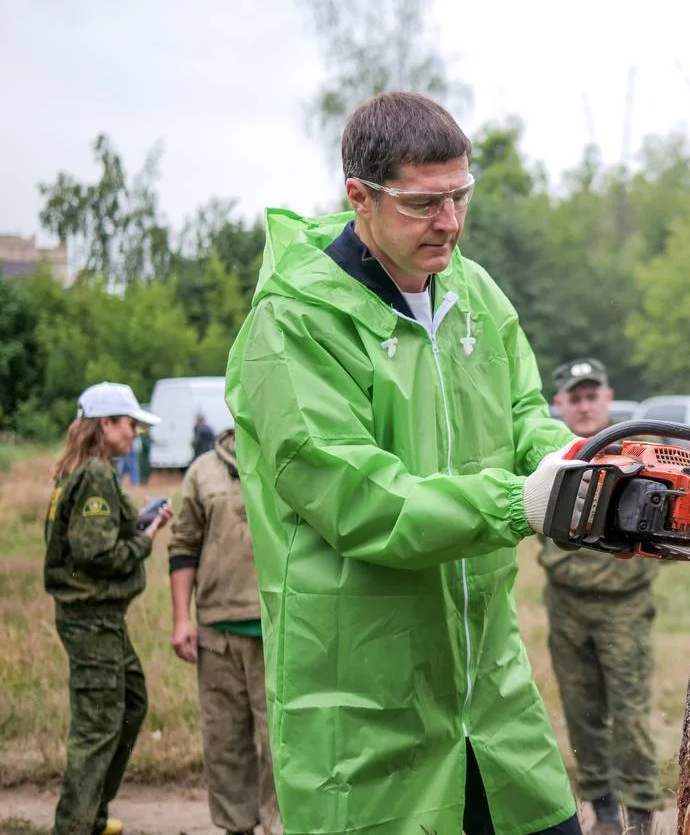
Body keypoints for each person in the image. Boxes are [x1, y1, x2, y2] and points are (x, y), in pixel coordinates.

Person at [225, 92, 588, 835]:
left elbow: (523, 411)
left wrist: (577, 468)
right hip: (362, 703)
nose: (449, 222)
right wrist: (519, 502)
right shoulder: (292, 325)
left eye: (461, 196)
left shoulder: (473, 292)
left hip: (489, 691)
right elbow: (361, 497)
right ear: (359, 196)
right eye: (424, 203)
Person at [43, 382, 173, 835]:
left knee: (131, 702)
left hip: (100, 618)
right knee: (96, 727)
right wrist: (145, 538)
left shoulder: (81, 472)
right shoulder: (96, 475)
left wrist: (134, 524)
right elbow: (95, 554)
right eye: (129, 424)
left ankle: (92, 812)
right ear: (105, 425)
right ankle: (76, 825)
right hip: (91, 619)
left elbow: (90, 539)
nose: (135, 433)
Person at [539, 359, 661, 835]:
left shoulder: (633, 454)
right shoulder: (549, 457)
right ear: (560, 404)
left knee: (630, 713)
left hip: (622, 604)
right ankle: (604, 813)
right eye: (575, 398)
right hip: (566, 602)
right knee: (581, 710)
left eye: (592, 396)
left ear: (608, 398)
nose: (585, 406)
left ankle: (640, 815)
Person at [168, 428, 280, 835]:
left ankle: (280, 827)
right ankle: (236, 827)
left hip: (276, 628)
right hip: (217, 631)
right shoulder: (203, 471)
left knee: (280, 742)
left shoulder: (281, 458)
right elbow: (184, 544)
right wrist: (182, 619)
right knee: (225, 741)